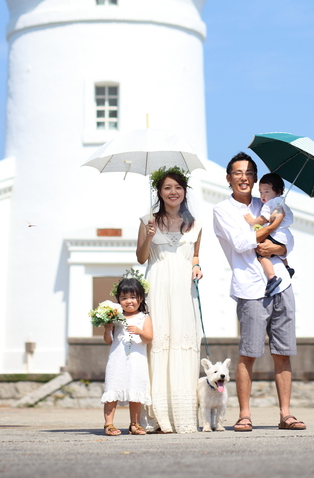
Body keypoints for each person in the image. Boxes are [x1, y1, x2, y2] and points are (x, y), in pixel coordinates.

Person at [213, 152, 306, 432]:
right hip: (250, 288)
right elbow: (242, 243)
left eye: (249, 173)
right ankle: (244, 414)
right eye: (238, 173)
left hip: (281, 283)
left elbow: (288, 242)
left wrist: (276, 247)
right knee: (248, 353)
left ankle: (286, 413)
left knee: (283, 352)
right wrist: (273, 227)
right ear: (228, 178)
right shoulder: (223, 210)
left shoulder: (267, 200)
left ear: (255, 178)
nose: (244, 177)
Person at [136, 167, 202, 433]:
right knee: (158, 343)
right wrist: (150, 236)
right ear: (159, 193)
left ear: (184, 191)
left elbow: (195, 256)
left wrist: (197, 266)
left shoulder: (195, 223)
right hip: (158, 287)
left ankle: (182, 415)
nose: (173, 192)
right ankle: (156, 416)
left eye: (177, 187)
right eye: (167, 188)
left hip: (185, 292)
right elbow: (141, 258)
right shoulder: (146, 221)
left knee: (183, 344)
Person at [101, 276, 153, 436]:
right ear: (118, 300)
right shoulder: (116, 317)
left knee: (135, 393)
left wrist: (139, 331)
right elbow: (109, 341)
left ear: (141, 298)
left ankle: (134, 424)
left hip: (136, 362)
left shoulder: (144, 318)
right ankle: (108, 424)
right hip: (117, 361)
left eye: (132, 297)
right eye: (124, 298)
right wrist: (107, 329)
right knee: (112, 391)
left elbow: (149, 337)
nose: (128, 301)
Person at [243, 173, 295, 295]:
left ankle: (272, 278)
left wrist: (251, 221)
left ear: (278, 191)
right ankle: (287, 267)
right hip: (285, 236)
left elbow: (265, 218)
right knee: (278, 252)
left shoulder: (272, 204)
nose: (262, 196)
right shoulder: (281, 202)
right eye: (260, 192)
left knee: (262, 256)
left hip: (276, 235)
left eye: (266, 192)